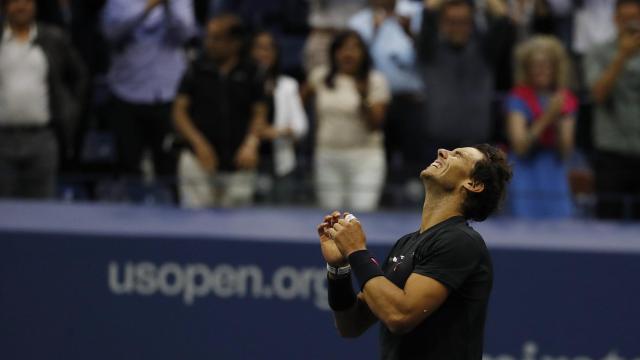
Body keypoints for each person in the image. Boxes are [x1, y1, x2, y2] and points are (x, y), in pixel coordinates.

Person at [317, 144, 512, 359]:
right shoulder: (406, 243)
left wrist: (356, 251)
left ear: (473, 183)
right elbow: (351, 326)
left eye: (458, 155)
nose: (441, 151)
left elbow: (400, 315)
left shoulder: (461, 241)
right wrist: (339, 268)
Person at [173, 14, 267, 208]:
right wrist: (199, 144)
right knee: (196, 224)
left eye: (216, 38)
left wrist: (251, 144)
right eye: (208, 37)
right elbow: (179, 112)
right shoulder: (195, 68)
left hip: (240, 161)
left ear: (235, 43)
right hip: (197, 160)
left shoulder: (253, 72)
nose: (209, 43)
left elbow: (260, 113)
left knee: (238, 229)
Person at [101, 0, 195, 188]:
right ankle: (128, 214)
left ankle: (171, 214)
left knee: (169, 166)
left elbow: (185, 34)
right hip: (127, 93)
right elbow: (111, 33)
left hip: (168, 94)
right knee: (128, 165)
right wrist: (148, 7)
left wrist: (168, 7)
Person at [0, 0, 87, 198]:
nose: (21, 6)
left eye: (27, 1)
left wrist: (70, 110)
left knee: (42, 212)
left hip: (42, 140)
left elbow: (80, 76)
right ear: (5, 6)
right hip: (2, 141)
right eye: (15, 2)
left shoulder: (53, 39)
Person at [305, 30, 390, 211]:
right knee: (331, 218)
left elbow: (376, 124)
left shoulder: (375, 80)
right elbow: (296, 101)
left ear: (363, 53)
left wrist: (364, 97)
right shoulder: (320, 77)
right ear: (334, 53)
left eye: (354, 48)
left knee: (361, 214)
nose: (348, 53)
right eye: (343, 48)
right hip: (327, 156)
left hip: (364, 158)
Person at [418, 0, 515, 158]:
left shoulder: (486, 52)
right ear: (441, 23)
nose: (457, 27)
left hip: (478, 145)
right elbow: (429, 9)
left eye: (463, 22)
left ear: (472, 23)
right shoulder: (429, 51)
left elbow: (502, 17)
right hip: (437, 146)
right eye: (451, 22)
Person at [349, 0, 427, 189]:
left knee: (415, 163)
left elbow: (431, 54)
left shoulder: (417, 13)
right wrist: (374, 32)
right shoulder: (358, 22)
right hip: (377, 102)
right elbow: (355, 59)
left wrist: (409, 31)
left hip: (412, 101)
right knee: (380, 157)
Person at [506, 35, 577, 218]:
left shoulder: (565, 98)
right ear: (526, 69)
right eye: (535, 65)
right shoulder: (518, 97)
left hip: (554, 168)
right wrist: (548, 117)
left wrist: (559, 118)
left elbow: (565, 150)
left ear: (556, 69)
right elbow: (520, 146)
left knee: (560, 224)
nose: (541, 71)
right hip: (524, 168)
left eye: (546, 65)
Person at [584, 0, 640, 219]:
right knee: (607, 226)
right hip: (611, 153)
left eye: (635, 19)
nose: (631, 25)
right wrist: (622, 56)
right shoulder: (598, 52)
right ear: (615, 20)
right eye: (625, 20)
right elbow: (598, 94)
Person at [250, 30, 308, 203]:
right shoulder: (240, 83)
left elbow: (301, 127)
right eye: (258, 48)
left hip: (280, 163)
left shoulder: (288, 85)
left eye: (269, 49)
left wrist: (274, 132)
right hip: (247, 164)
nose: (263, 54)